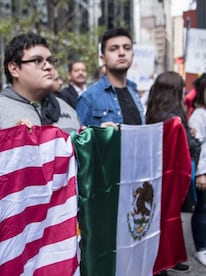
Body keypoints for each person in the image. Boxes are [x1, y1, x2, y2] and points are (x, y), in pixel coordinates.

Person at [0, 33, 80, 134]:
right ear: (14, 69)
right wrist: (14, 140)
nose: (48, 66)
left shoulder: (68, 109)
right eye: (37, 61)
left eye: (50, 60)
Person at [146, 71, 196, 275]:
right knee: (168, 220)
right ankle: (164, 263)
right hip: (170, 175)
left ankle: (168, 260)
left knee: (163, 220)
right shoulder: (173, 119)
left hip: (158, 175)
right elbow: (191, 148)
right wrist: (194, 138)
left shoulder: (153, 114)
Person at [76, 28, 145, 127]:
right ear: (103, 58)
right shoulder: (89, 98)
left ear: (133, 55)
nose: (121, 53)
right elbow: (79, 139)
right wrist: (100, 134)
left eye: (127, 48)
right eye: (113, 49)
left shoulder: (134, 91)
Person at [188, 74, 206, 268]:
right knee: (202, 210)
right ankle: (201, 248)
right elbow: (197, 148)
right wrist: (201, 173)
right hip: (205, 171)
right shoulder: (199, 115)